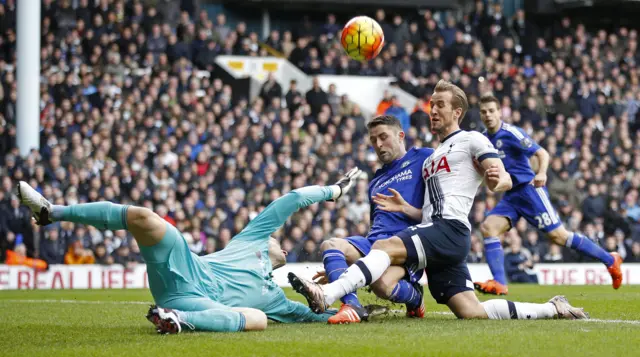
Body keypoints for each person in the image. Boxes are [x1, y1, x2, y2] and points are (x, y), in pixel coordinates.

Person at [288, 80, 590, 321]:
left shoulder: (472, 139)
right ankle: (552, 308)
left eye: (440, 105)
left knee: (383, 247)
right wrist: (406, 209)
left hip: (449, 229)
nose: (433, 110)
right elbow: (430, 208)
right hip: (437, 233)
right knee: (470, 310)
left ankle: (327, 295)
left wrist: (501, 180)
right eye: (432, 105)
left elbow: (502, 174)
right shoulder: (434, 155)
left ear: (457, 111)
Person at [16, 169, 362, 334]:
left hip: (194, 304)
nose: (281, 243)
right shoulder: (251, 238)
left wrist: (336, 303)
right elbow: (292, 200)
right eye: (277, 239)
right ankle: (52, 212)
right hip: (185, 270)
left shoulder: (280, 302)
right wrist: (333, 190)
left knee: (258, 320)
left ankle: (178, 321)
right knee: (143, 217)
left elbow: (325, 320)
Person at [473, 94, 622, 295]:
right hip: (511, 196)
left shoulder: (512, 133)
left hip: (529, 191)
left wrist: (541, 173)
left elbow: (542, 153)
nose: (488, 115)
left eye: (492, 110)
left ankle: (610, 260)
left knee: (559, 237)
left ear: (500, 112)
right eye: (484, 112)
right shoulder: (483, 139)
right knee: (488, 227)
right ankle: (500, 282)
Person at [319, 115, 433, 324]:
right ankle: (352, 306)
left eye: (383, 137)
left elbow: (437, 213)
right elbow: (377, 227)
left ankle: (415, 298)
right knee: (331, 245)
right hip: (376, 244)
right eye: (373, 140)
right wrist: (340, 269)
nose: (378, 144)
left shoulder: (425, 158)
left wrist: (405, 208)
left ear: (401, 136)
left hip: (406, 245)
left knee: (382, 285)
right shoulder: (376, 181)